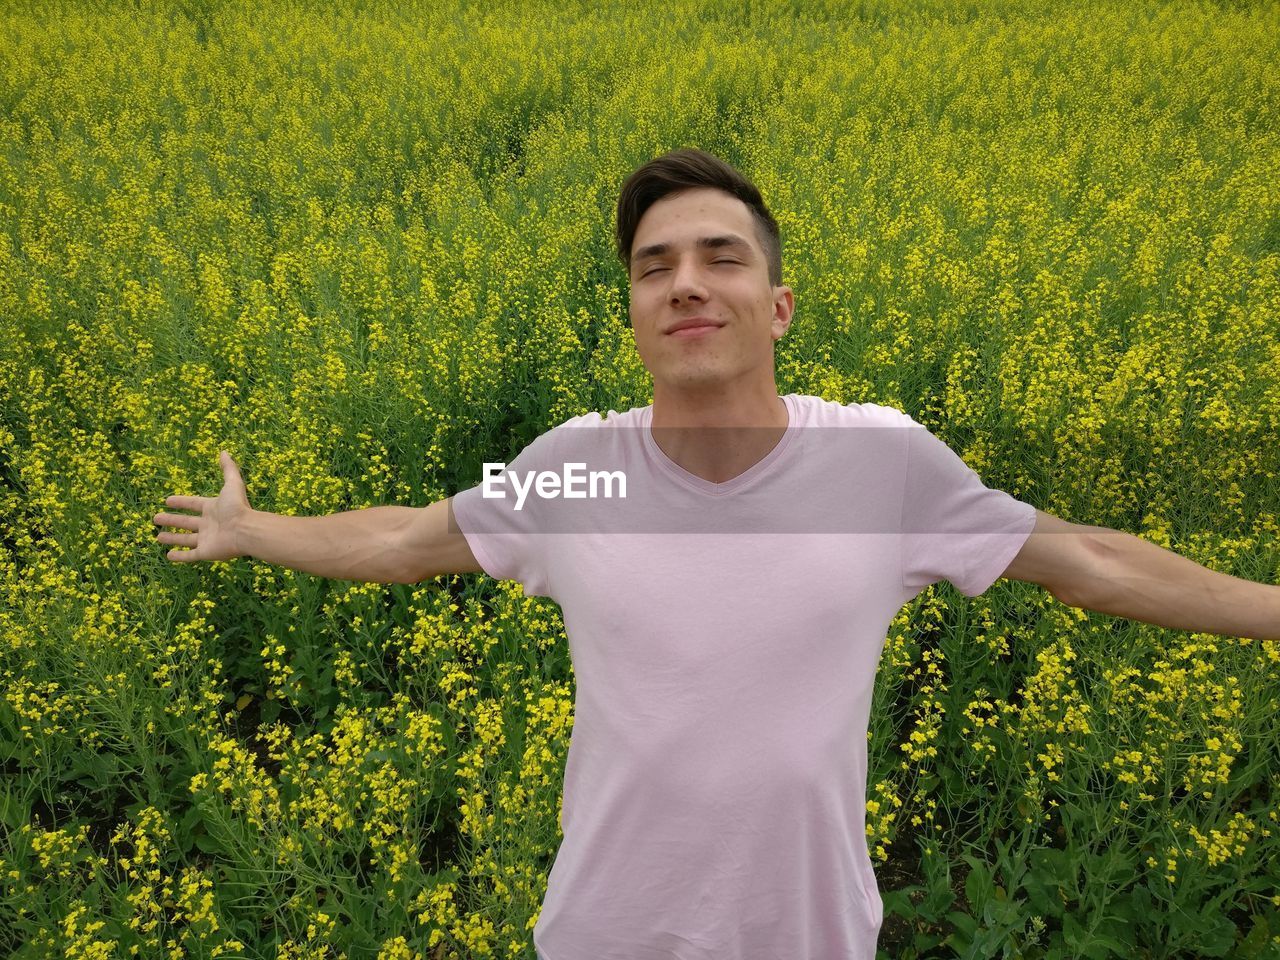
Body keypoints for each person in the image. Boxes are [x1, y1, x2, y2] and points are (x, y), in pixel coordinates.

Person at [154, 148, 1279, 960]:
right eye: (653, 267)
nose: (685, 280)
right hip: (603, 931)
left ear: (777, 304)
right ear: (634, 314)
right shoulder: (577, 469)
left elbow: (1086, 561)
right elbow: (406, 540)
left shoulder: (880, 464)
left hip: (810, 935)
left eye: (718, 257)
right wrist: (251, 531)